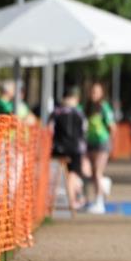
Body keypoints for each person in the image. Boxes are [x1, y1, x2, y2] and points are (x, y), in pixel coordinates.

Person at [50, 87, 87, 211]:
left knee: (57, 175)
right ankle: (72, 201)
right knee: (72, 175)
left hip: (58, 149)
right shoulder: (79, 113)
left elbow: (50, 129)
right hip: (75, 149)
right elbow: (83, 132)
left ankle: (55, 201)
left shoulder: (56, 112)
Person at [83, 82, 115, 214]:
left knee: (96, 171)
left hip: (102, 142)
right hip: (90, 142)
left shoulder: (104, 108)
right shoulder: (86, 107)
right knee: (92, 172)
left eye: (96, 91)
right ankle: (104, 182)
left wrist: (111, 142)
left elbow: (112, 126)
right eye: (92, 91)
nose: (93, 94)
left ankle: (99, 202)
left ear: (101, 93)